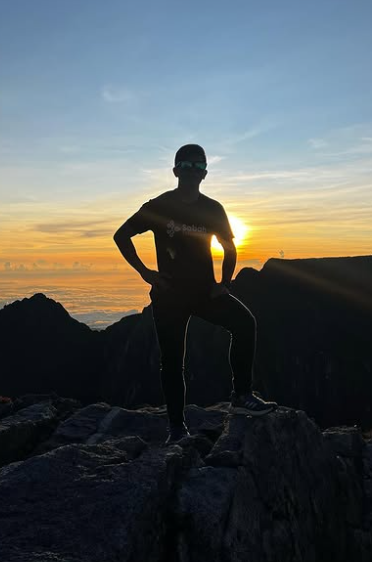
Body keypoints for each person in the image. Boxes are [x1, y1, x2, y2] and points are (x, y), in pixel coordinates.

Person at [113, 143, 276, 444]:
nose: (191, 171)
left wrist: (224, 283)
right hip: (169, 295)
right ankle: (176, 428)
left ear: (205, 173)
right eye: (186, 166)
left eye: (197, 166)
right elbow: (121, 235)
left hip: (204, 292)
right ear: (175, 171)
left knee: (244, 323)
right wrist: (145, 273)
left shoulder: (213, 209)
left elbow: (229, 247)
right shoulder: (159, 205)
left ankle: (241, 395)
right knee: (173, 361)